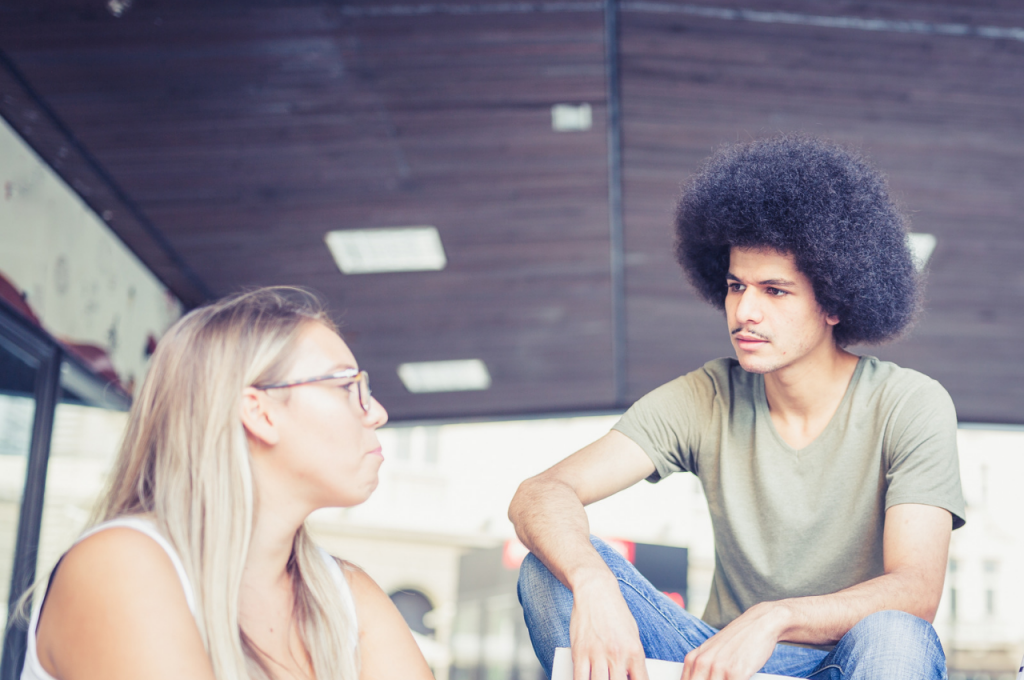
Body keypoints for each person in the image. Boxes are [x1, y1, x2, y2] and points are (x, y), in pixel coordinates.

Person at [509, 135, 965, 680]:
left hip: (846, 664)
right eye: (734, 286)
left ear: (836, 303)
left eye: (774, 291)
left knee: (897, 632)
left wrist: (774, 617)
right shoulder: (707, 396)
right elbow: (540, 494)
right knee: (549, 570)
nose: (744, 310)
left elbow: (916, 590)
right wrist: (591, 582)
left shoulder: (909, 403)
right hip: (713, 664)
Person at [18, 287, 434, 680]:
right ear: (260, 412)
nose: (376, 412)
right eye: (346, 386)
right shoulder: (119, 565)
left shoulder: (345, 595)